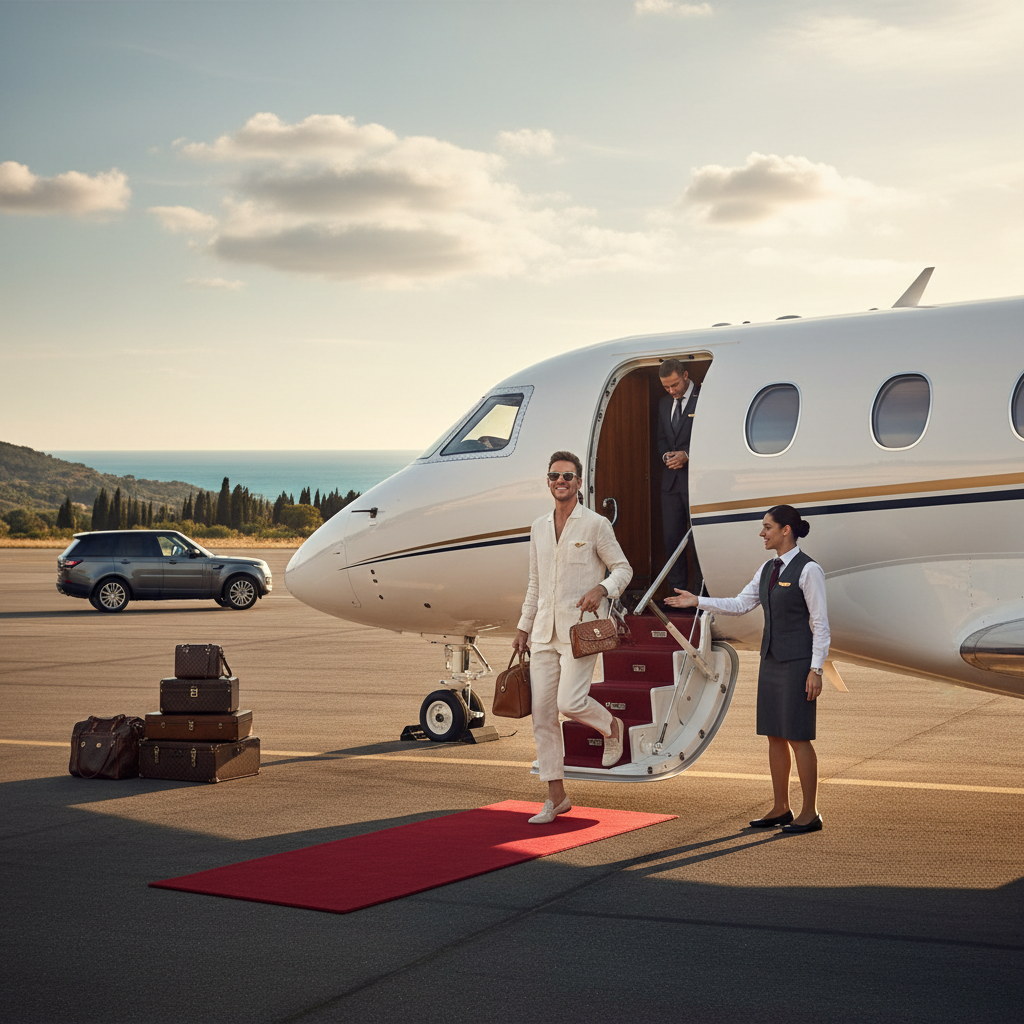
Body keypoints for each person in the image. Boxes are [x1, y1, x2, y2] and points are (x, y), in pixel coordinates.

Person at [665, 504, 829, 834]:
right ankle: (781, 807)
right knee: (774, 736)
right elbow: (740, 604)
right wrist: (697, 601)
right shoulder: (768, 568)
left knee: (798, 737)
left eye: (767, 527)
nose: (762, 533)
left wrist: (816, 670)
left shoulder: (809, 570)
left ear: (786, 530)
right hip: (771, 661)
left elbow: (821, 623)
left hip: (797, 663)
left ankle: (810, 813)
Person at [513, 451, 633, 824]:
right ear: (548, 482)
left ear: (579, 483)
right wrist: (523, 626)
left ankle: (612, 726)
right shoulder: (537, 527)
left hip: (581, 632)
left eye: (567, 476)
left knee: (570, 701)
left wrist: (602, 588)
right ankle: (556, 797)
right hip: (543, 632)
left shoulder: (596, 525)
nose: (560, 481)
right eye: (554, 476)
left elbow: (623, 569)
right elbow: (535, 582)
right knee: (543, 717)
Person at [657, 358, 701, 596]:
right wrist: (667, 456)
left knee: (698, 541)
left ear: (685, 375)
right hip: (671, 482)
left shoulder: (704, 398)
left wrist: (688, 455)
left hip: (696, 482)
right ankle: (677, 594)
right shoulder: (664, 404)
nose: (671, 391)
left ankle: (700, 595)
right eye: (666, 387)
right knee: (672, 540)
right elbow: (661, 439)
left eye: (674, 385)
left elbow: (712, 437)